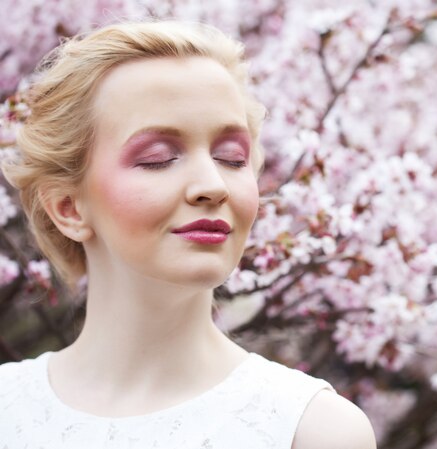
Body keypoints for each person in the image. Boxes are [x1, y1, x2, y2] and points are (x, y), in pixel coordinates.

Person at [0, 21, 376, 448]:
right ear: (68, 208)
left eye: (232, 158)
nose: (212, 185)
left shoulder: (314, 431)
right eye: (158, 159)